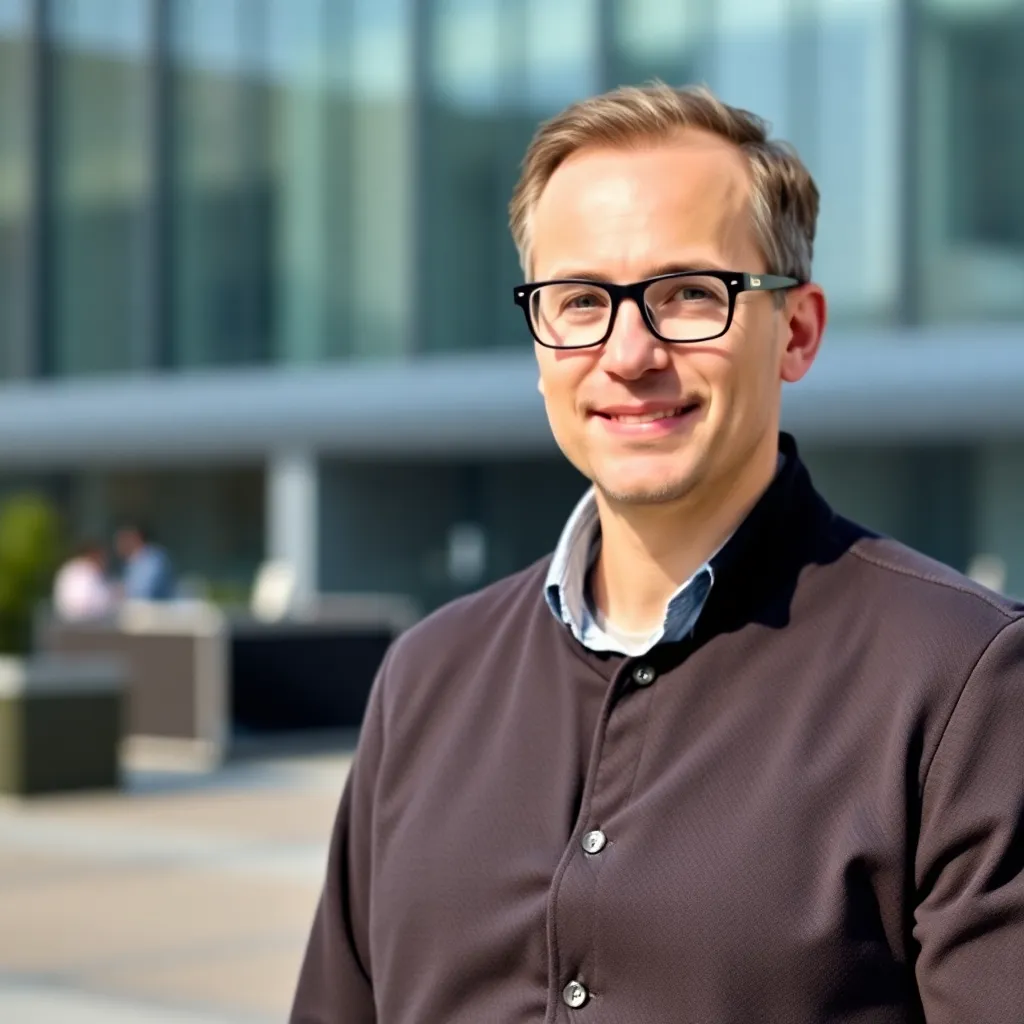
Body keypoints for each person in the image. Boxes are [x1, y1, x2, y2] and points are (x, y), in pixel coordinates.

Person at [290, 84, 1024, 1023]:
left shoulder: (962, 684)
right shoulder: (425, 678)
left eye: (688, 295)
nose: (628, 353)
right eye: (581, 300)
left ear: (795, 330)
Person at [53, 540, 115, 621]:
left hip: (65, 621)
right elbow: (94, 603)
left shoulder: (68, 568)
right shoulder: (89, 570)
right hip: (82, 624)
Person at [115, 524, 176, 601]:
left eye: (122, 539)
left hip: (154, 610)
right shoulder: (130, 562)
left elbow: (142, 593)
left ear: (135, 538)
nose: (117, 545)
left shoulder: (153, 559)